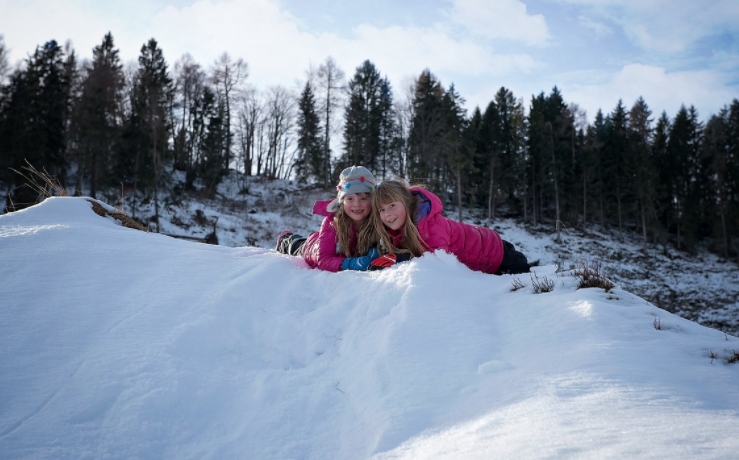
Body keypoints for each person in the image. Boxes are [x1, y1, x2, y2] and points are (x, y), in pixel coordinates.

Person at [370, 179, 531, 275]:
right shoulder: (398, 231)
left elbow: (437, 261)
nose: (387, 213)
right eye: (382, 209)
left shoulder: (430, 226)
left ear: (406, 202)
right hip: (486, 259)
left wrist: (401, 258)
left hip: (500, 254)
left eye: (392, 205)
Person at [275, 166, 381, 272]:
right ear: (341, 201)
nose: (356, 204)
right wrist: (350, 263)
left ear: (373, 200)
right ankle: (285, 239)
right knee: (297, 245)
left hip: (323, 240)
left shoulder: (379, 220)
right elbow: (323, 259)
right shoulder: (333, 223)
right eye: (350, 198)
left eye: (363, 198)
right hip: (312, 249)